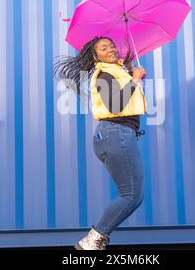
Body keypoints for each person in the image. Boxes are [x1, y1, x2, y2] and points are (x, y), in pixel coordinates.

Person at [53, 36, 147, 250]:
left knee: (134, 195)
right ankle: (93, 239)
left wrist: (132, 74)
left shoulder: (117, 71)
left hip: (118, 135)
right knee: (131, 195)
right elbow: (116, 105)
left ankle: (96, 239)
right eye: (104, 48)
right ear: (96, 56)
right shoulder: (103, 74)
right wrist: (135, 79)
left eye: (112, 45)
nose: (111, 49)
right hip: (116, 134)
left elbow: (126, 100)